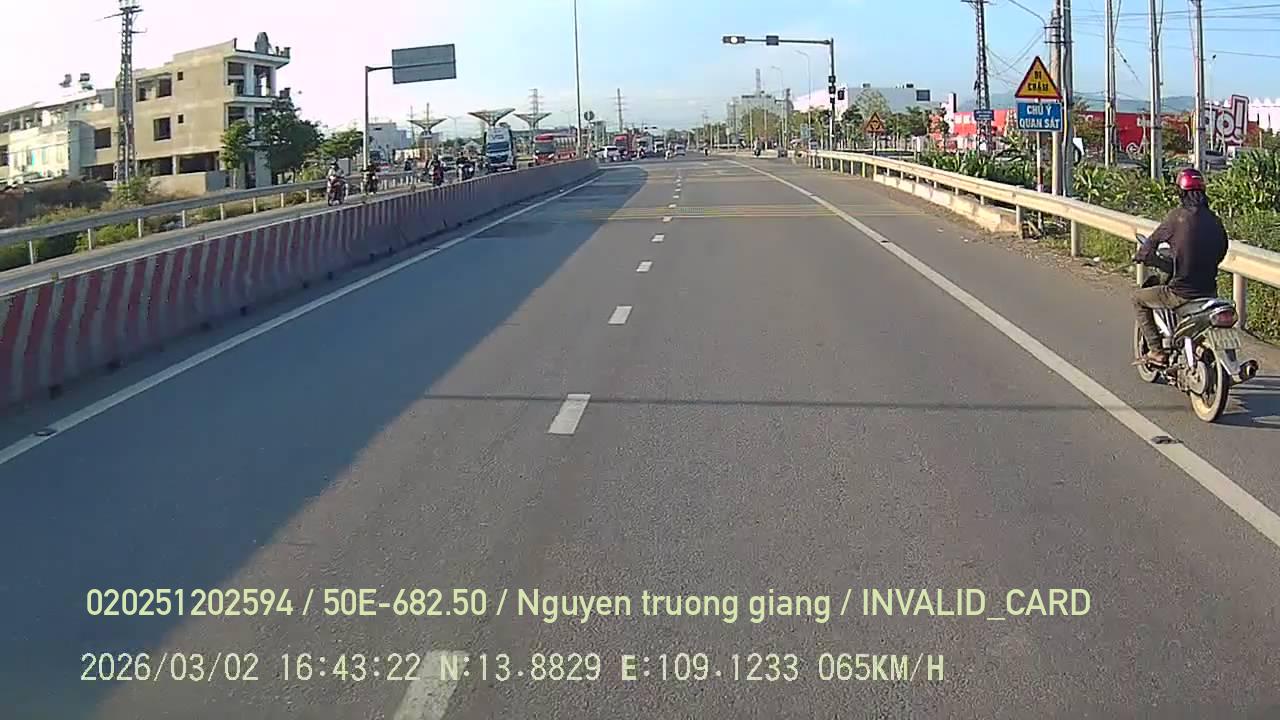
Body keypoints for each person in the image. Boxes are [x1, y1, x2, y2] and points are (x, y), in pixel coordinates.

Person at [1132, 167, 1228, 365]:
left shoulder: (1177, 217)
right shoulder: (1215, 220)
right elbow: (1221, 252)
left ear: (1181, 192)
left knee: (1138, 299)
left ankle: (1156, 351)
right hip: (1209, 292)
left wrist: (1142, 256)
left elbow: (1151, 243)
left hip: (1181, 293)